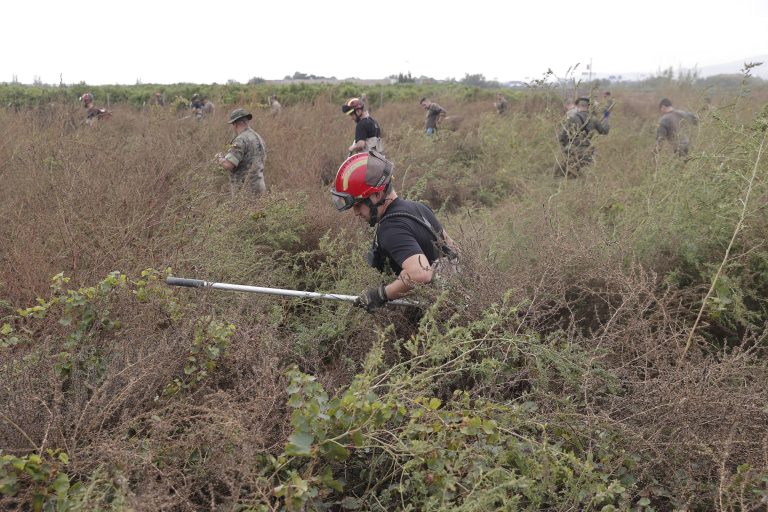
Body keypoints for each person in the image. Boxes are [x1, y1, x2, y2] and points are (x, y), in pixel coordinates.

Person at [330, 151, 458, 311]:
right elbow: (453, 248)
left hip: (437, 315)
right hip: (454, 301)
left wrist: (380, 295)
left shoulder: (390, 229)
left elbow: (421, 274)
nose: (356, 212)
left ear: (376, 194)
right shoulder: (419, 207)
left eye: (357, 204)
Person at [216, 108, 267, 198]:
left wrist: (220, 158)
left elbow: (228, 165)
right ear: (247, 121)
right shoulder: (258, 137)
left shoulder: (240, 139)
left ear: (235, 124)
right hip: (260, 187)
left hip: (245, 190)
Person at [557, 97, 610, 178]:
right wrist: (606, 118)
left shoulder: (572, 118)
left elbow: (561, 137)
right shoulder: (593, 119)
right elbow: (604, 131)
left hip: (573, 151)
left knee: (562, 175)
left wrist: (565, 147)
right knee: (585, 176)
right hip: (588, 152)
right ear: (588, 107)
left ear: (577, 106)